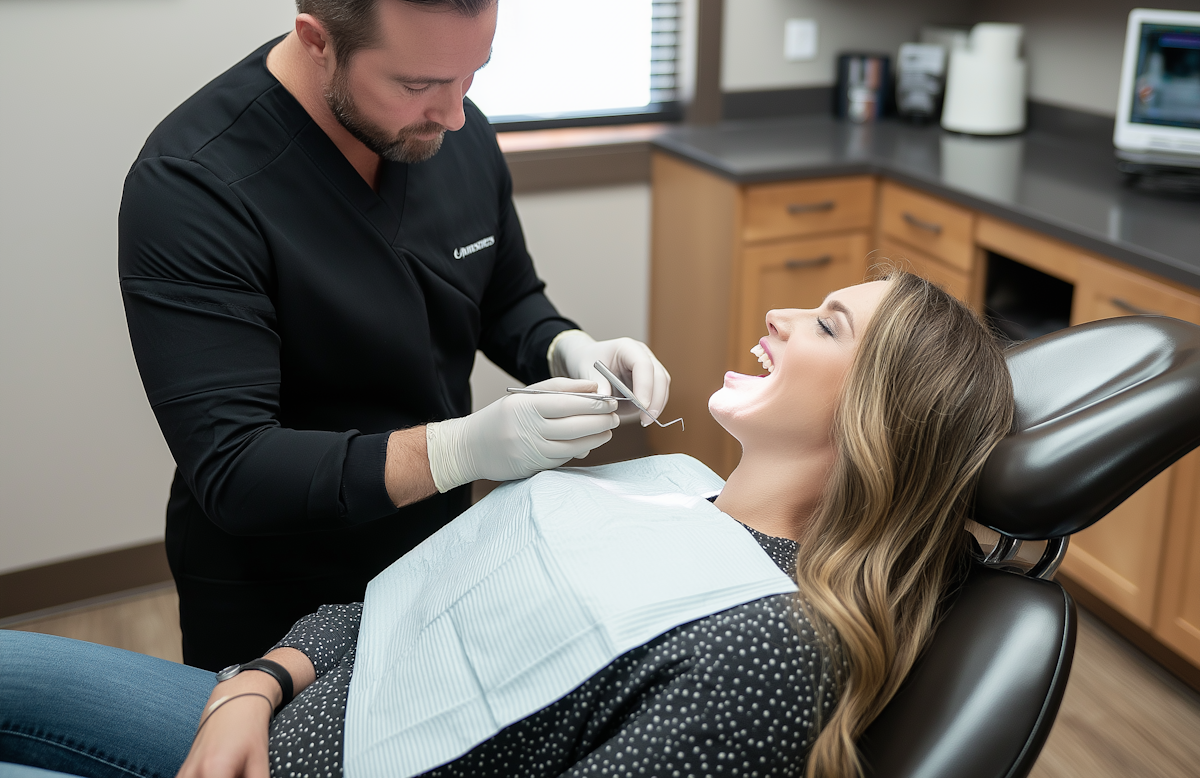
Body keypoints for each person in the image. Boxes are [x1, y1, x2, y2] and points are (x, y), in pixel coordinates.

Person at [0, 273, 1014, 778]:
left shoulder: (765, 647)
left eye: (829, 323)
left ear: (875, 417)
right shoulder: (668, 484)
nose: (784, 315)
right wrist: (251, 688)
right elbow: (395, 607)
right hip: (262, 715)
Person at [116, 0, 670, 670]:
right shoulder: (192, 186)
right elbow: (236, 469)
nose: (453, 115)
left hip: (437, 556)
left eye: (472, 74)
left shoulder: (456, 125)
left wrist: (569, 347)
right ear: (318, 40)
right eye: (418, 84)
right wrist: (461, 450)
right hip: (277, 588)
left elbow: (507, 296)